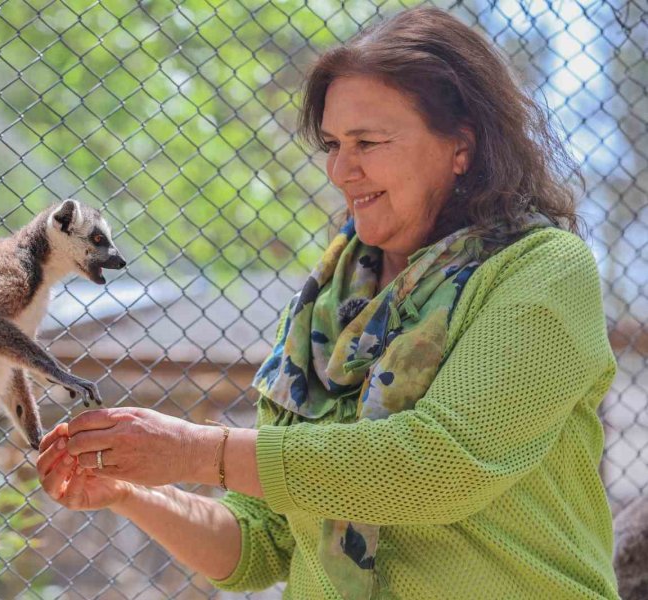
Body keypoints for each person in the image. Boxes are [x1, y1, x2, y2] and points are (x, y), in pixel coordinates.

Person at [37, 6, 620, 599]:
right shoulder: (328, 301)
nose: (341, 170)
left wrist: (193, 451)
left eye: (368, 141)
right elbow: (260, 546)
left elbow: (440, 466)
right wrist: (136, 491)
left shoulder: (542, 269)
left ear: (460, 147)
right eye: (334, 143)